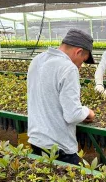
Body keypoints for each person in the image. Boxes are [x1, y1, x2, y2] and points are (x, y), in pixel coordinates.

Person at [27, 28, 95, 165]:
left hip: (36, 141)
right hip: (59, 148)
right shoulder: (68, 68)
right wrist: (87, 111)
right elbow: (73, 115)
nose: (80, 66)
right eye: (82, 60)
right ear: (78, 51)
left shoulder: (37, 60)